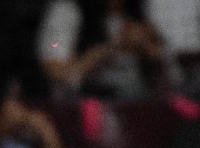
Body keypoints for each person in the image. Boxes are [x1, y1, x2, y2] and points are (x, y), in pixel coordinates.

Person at [37, 0, 169, 100]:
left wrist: (149, 50)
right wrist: (104, 52)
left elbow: (165, 72)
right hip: (86, 106)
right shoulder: (68, 11)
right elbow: (54, 71)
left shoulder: (137, 12)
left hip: (138, 104)